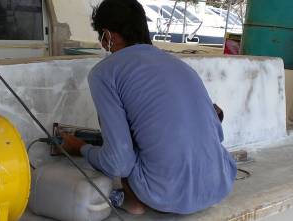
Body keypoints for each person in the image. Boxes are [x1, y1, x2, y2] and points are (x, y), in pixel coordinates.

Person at [61, 0, 237, 215]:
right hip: (220, 183)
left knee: (121, 144)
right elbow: (217, 131)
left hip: (164, 195)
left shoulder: (104, 72)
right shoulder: (182, 66)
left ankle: (131, 201)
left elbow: (119, 163)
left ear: (107, 35)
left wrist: (80, 148)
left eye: (100, 36)